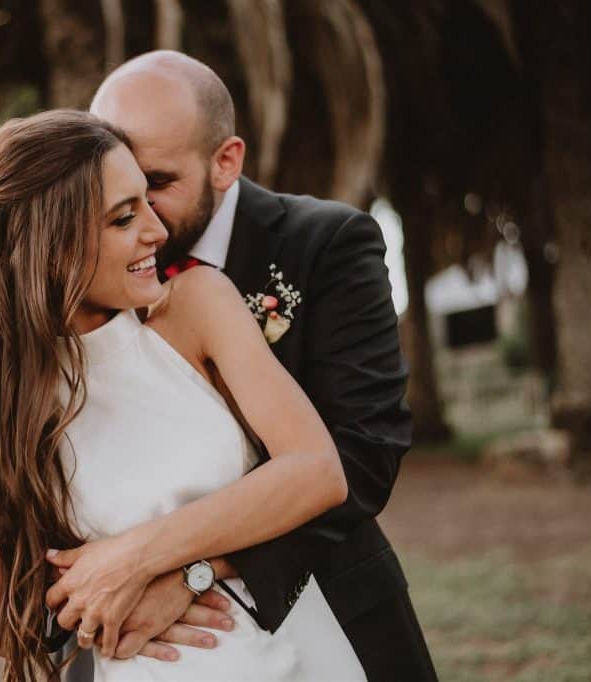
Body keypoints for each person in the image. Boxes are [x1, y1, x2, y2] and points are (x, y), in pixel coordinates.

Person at [0, 109, 365, 681]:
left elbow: (316, 472)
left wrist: (140, 559)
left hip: (296, 657)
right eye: (124, 217)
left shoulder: (197, 305)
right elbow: (4, 629)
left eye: (147, 202)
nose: (157, 231)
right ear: (48, 244)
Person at [52, 51, 436, 681]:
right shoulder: (84, 284)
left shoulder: (326, 243)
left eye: (157, 183)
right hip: (134, 647)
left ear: (226, 161)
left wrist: (187, 570)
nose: (142, 218)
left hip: (324, 610)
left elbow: (362, 456)